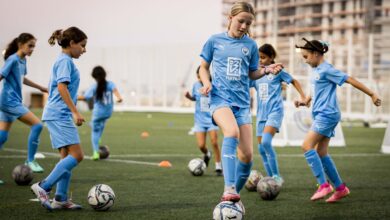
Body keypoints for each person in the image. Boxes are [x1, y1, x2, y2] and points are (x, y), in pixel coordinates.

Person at [199, 1, 283, 203]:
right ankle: (229, 188)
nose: (244, 26)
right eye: (241, 21)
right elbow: (203, 67)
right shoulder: (214, 41)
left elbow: (252, 73)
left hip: (243, 104)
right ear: (230, 19)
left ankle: (229, 197)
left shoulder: (251, 45)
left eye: (248, 23)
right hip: (220, 99)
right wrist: (206, 82)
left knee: (246, 157)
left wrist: (265, 70)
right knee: (232, 132)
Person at [295, 38, 381, 202]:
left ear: (316, 54)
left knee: (306, 146)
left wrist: (372, 94)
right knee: (321, 152)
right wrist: (304, 101)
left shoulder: (327, 69)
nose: (305, 61)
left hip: (328, 114)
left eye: (306, 57)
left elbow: (350, 79)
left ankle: (324, 185)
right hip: (321, 114)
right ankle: (341, 189)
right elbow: (314, 93)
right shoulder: (316, 70)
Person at [31, 27, 88, 210]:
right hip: (60, 114)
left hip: (55, 113)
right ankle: (43, 186)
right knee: (77, 155)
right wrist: (74, 112)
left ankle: (61, 198)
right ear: (71, 43)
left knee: (65, 158)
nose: (84, 50)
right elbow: (62, 88)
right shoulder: (65, 61)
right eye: (82, 45)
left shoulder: (64, 60)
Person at [250, 43, 306, 186]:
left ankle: (276, 176)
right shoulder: (256, 74)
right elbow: (243, 82)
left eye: (263, 57)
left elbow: (293, 81)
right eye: (258, 58)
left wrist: (303, 97)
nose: (260, 60)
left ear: (271, 58)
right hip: (261, 115)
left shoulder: (277, 71)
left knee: (266, 142)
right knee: (261, 149)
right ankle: (270, 179)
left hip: (275, 112)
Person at [0, 33, 47, 177]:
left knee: (2, 137)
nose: (32, 49)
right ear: (21, 45)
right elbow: (1, 75)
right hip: (9, 101)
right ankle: (30, 160)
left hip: (11, 101)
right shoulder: (13, 59)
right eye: (30, 46)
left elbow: (22, 79)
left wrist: (40, 87)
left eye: (34, 46)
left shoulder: (23, 60)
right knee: (37, 125)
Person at [78, 66, 123, 160]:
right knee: (100, 125)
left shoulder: (94, 86)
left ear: (94, 77)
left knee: (94, 132)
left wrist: (72, 97)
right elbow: (116, 91)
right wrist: (119, 98)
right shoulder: (110, 84)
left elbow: (85, 97)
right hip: (108, 112)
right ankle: (97, 133)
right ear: (104, 74)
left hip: (98, 113)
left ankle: (95, 153)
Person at [185, 66, 222, 175]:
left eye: (201, 75)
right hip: (200, 120)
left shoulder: (214, 84)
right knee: (201, 145)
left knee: (214, 142)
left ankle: (218, 166)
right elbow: (195, 98)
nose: (199, 78)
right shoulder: (196, 85)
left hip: (212, 119)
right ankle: (207, 153)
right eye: (198, 76)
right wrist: (189, 97)